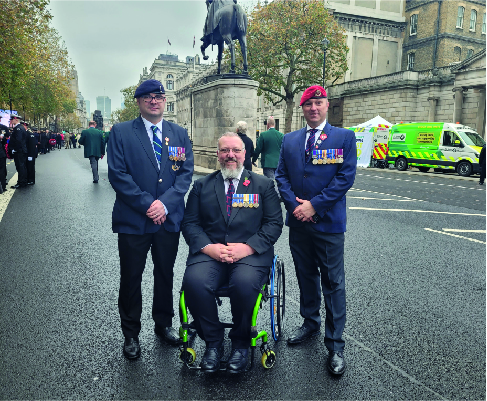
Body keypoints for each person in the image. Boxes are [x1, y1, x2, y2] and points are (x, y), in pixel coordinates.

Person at [181, 132, 283, 373]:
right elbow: (190, 224)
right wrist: (209, 248)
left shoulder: (264, 185)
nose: (231, 155)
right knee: (194, 283)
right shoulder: (201, 185)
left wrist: (246, 248)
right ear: (217, 154)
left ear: (244, 154)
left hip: (250, 254)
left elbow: (273, 224)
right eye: (225, 150)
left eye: (236, 150)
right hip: (211, 251)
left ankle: (240, 342)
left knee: (244, 284)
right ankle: (213, 342)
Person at [107, 79, 194, 360]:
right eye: (147, 97)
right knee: (131, 277)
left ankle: (163, 323)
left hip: (167, 220)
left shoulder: (179, 133)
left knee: (164, 273)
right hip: (134, 220)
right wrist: (149, 205)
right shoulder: (121, 132)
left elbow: (185, 174)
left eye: (158, 96)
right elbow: (118, 175)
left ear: (164, 99)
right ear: (139, 102)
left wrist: (164, 205)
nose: (153, 101)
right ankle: (131, 333)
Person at [275, 85, 357, 376]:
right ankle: (310, 323)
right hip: (299, 223)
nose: (313, 108)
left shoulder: (344, 137)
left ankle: (335, 345)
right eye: (308, 104)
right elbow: (280, 175)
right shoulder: (289, 140)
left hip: (328, 223)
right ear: (302, 108)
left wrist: (314, 206)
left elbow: (345, 177)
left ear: (327, 105)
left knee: (333, 283)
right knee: (305, 275)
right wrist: (295, 207)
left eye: (318, 103)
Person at [252, 116, 283, 180]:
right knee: (278, 181)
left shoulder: (263, 134)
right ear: (274, 124)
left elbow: (258, 149)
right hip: (278, 162)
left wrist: (253, 159)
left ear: (267, 124)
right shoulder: (281, 135)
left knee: (269, 183)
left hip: (267, 162)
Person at [9, 115, 28, 189]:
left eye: (12, 119)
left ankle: (21, 182)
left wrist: (15, 149)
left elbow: (18, 140)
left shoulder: (18, 128)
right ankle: (23, 181)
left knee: (20, 167)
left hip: (19, 151)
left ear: (16, 120)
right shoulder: (20, 127)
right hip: (21, 150)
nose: (11, 120)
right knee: (22, 167)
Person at [0, 123, 9, 193]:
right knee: (2, 170)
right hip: (1, 152)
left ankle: (3, 185)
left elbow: (7, 137)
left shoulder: (4, 127)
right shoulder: (3, 127)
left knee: (2, 170)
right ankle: (3, 187)